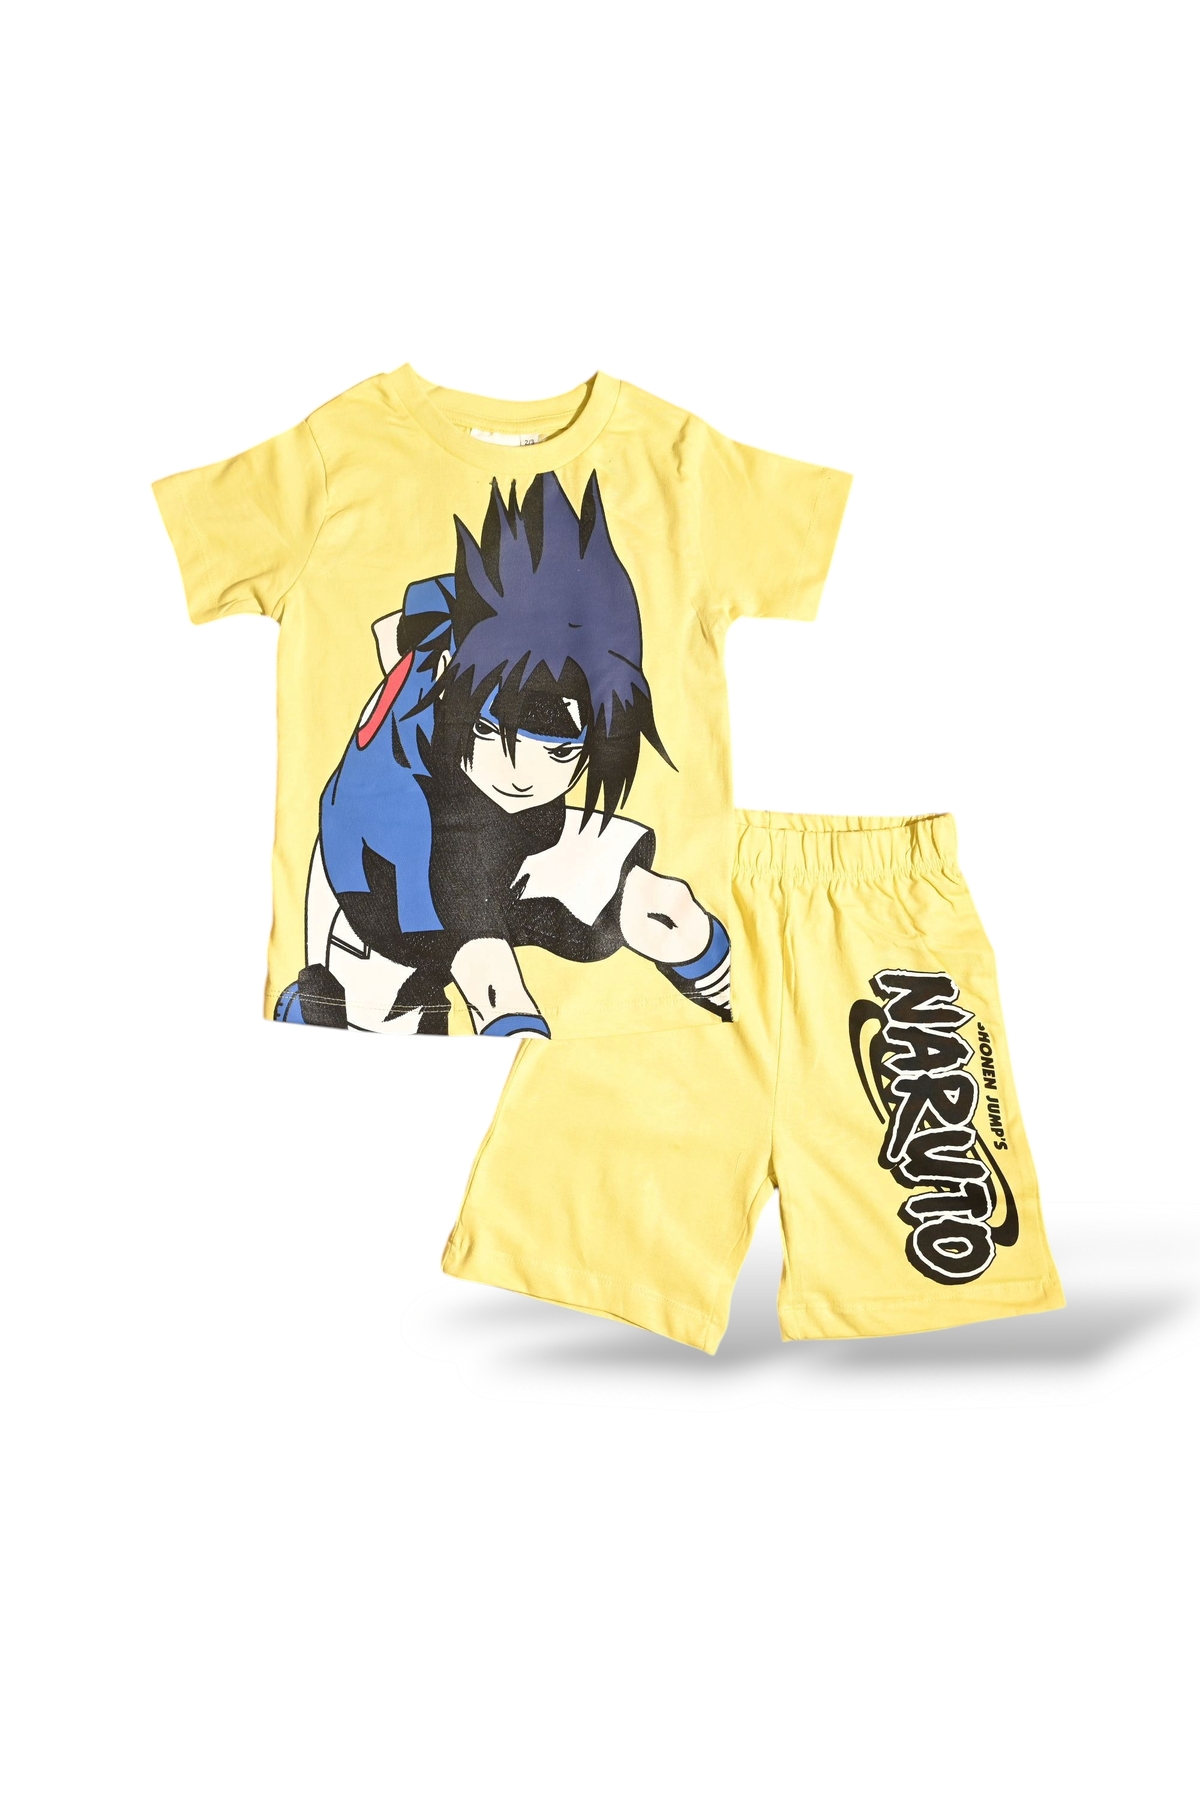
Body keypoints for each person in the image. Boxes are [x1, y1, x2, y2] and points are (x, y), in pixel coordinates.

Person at [275, 470, 731, 1034]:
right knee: (420, 998)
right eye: (491, 735)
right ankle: (324, 1002)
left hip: (515, 837)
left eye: (559, 755)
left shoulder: (486, 622)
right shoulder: (394, 803)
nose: (520, 776)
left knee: (661, 906)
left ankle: (729, 1001)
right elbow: (479, 960)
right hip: (380, 885)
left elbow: (402, 621)